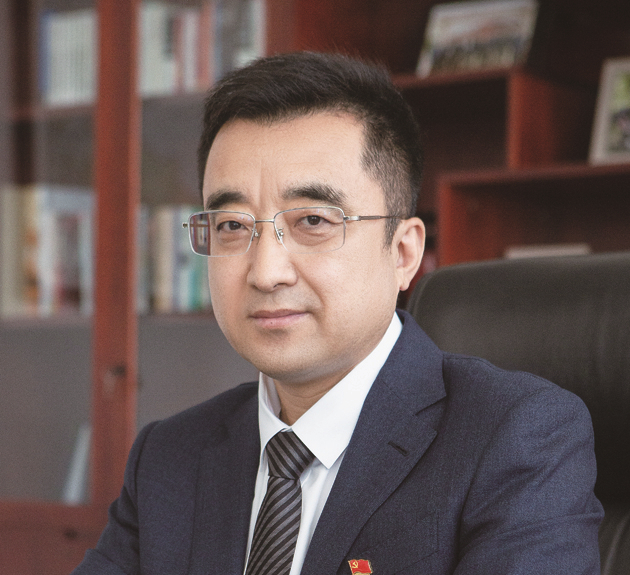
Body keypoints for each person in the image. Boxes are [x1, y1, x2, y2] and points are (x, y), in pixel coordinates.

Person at [72, 52, 603, 575]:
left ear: (403, 253)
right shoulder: (169, 457)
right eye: (232, 226)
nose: (266, 272)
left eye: (313, 221)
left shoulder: (515, 437)